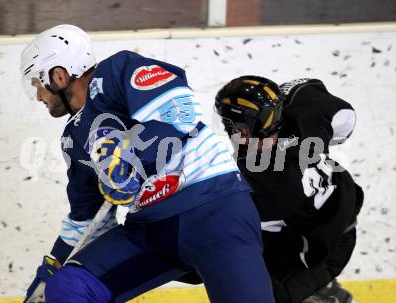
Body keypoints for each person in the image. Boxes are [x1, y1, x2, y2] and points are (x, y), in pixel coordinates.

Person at [20, 25, 275, 303]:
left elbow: (180, 113)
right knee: (69, 287)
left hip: (213, 211)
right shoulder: (74, 137)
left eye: (37, 84)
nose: (38, 96)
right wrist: (50, 271)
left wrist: (132, 161)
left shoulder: (119, 70)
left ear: (58, 76)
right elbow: (87, 217)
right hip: (152, 231)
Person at [214, 76, 364, 303]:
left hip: (318, 252)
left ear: (243, 129)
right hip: (344, 211)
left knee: (251, 289)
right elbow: (344, 116)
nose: (228, 130)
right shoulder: (306, 109)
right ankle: (323, 289)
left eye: (230, 124)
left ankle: (321, 292)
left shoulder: (266, 186)